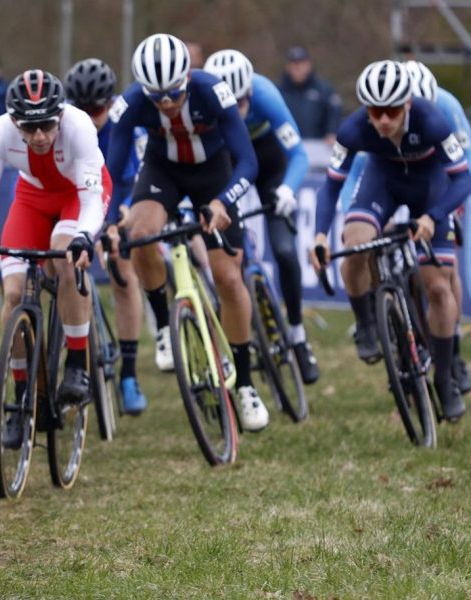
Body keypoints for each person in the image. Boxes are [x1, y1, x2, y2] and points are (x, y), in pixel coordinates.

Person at [104, 33, 269, 432]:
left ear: (188, 79)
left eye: (173, 94)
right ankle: (163, 327)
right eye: (156, 96)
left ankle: (245, 383)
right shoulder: (130, 104)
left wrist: (223, 201)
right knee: (139, 235)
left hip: (214, 174)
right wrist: (110, 220)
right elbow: (111, 171)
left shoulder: (214, 92)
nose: (165, 103)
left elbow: (248, 162)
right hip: (163, 172)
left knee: (229, 278)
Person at [309, 60, 471, 422]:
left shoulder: (433, 121)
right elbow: (331, 186)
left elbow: (463, 180)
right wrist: (320, 234)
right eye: (376, 112)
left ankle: (445, 379)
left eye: (392, 111)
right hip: (382, 179)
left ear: (409, 104)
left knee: (439, 287)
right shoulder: (353, 129)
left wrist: (433, 216)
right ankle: (367, 322)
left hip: (431, 187)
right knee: (354, 243)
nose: (383, 120)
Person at [0, 70, 107, 446]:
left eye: (46, 126)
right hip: (33, 198)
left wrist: (85, 238)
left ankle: (76, 363)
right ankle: (23, 395)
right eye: (29, 127)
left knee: (65, 255)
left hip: (78, 194)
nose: (39, 136)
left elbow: (91, 200)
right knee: (13, 295)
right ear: (14, 122)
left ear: (60, 116)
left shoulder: (79, 127)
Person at [203, 49, 319, 384]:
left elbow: (297, 153)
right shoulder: (205, 105)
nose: (235, 112)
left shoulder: (267, 95)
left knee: (284, 250)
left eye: (241, 104)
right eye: (228, 104)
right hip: (227, 167)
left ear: (250, 94)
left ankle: (297, 335)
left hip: (269, 164)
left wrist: (287, 189)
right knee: (228, 264)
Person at [64, 57, 149, 414]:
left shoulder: (128, 123)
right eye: (82, 107)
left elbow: (144, 174)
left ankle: (129, 374)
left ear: (110, 103)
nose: (90, 114)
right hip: (80, 200)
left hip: (122, 199)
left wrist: (126, 211)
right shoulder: (64, 123)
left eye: (97, 108)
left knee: (123, 271)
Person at [403, 59, 471, 395]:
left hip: (440, 178)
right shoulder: (385, 112)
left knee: (446, 269)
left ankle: (454, 345)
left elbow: (466, 161)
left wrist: (452, 210)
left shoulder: (446, 105)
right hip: (399, 176)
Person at [277, 46, 342, 144]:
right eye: (294, 64)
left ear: (309, 65)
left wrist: (332, 131)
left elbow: (334, 111)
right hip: (287, 144)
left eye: (301, 64)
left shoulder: (323, 89)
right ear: (288, 66)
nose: (298, 68)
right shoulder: (278, 90)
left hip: (318, 145)